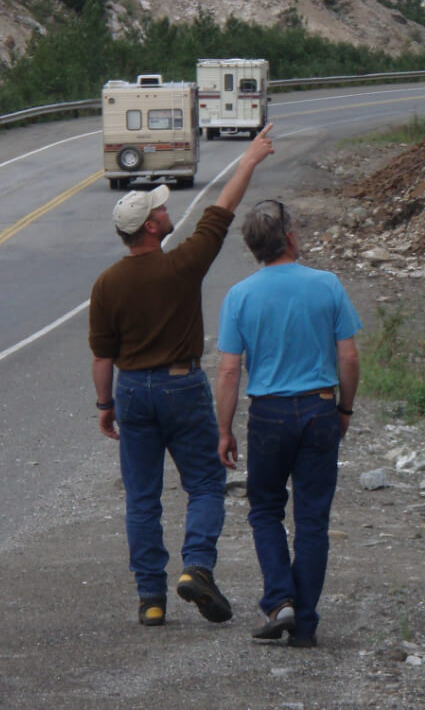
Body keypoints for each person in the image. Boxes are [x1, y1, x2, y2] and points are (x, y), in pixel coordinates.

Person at [88, 124, 275, 629]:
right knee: (207, 484)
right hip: (181, 386)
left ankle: (150, 598)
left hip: (131, 391)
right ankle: (197, 566)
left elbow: (102, 355)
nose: (168, 211)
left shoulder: (106, 284)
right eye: (161, 209)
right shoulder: (183, 265)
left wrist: (105, 406)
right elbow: (223, 209)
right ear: (150, 227)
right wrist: (250, 160)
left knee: (143, 496)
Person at [215, 198, 361, 648]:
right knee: (312, 520)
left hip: (269, 414)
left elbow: (228, 370)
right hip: (318, 408)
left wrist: (224, 430)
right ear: (291, 237)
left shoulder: (240, 295)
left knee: (265, 510)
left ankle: (280, 601)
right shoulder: (328, 285)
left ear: (254, 248)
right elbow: (349, 356)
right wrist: (344, 410)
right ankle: (307, 623)